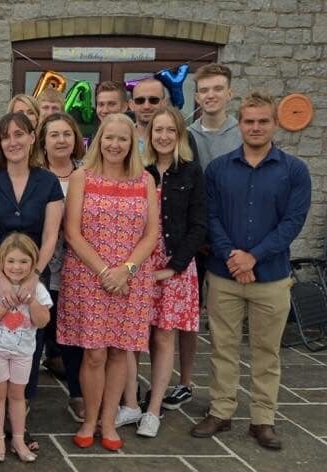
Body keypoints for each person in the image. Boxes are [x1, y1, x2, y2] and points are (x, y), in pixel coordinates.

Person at [191, 92, 311, 450]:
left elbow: (293, 222)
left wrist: (254, 257)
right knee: (221, 347)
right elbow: (210, 216)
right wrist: (233, 256)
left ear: (274, 124)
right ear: (239, 124)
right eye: (249, 121)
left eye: (262, 121)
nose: (255, 127)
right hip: (224, 275)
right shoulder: (218, 169)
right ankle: (221, 411)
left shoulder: (294, 170)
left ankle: (263, 419)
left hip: (271, 276)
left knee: (266, 351)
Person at [57, 113, 159, 452]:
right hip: (89, 276)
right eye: (109, 138)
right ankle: (90, 419)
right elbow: (71, 231)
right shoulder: (80, 177)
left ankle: (108, 421)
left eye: (123, 139)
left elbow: (152, 234)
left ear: (133, 144)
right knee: (95, 353)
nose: (115, 144)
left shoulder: (144, 180)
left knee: (119, 351)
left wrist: (125, 270)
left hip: (131, 278)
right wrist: (105, 271)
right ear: (99, 140)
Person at [0, 112, 63, 448]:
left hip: (32, 276)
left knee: (28, 345)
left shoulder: (48, 182)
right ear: (0, 142)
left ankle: (18, 420)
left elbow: (51, 235)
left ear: (31, 137)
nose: (13, 141)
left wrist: (32, 279)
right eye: (7, 136)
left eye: (20, 134)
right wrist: (1, 279)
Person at [125, 106, 205, 438]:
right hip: (139, 264)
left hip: (174, 266)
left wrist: (173, 268)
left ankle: (154, 409)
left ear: (179, 135)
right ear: (148, 134)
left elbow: (199, 226)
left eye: (170, 130)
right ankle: (129, 403)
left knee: (163, 336)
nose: (163, 136)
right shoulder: (139, 172)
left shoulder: (190, 172)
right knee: (130, 337)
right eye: (158, 130)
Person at [172, 63, 242, 411]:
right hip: (196, 239)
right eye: (204, 90)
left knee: (224, 324)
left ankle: (223, 397)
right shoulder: (187, 134)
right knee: (188, 316)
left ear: (229, 93)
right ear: (196, 96)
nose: (210, 96)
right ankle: (185, 382)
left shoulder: (243, 133)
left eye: (217, 89)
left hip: (231, 239)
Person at [0, 234, 51, 463]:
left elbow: (43, 321)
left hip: (23, 352)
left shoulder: (37, 290)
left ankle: (17, 439)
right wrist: (3, 307)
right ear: (1, 263)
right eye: (11, 261)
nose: (16, 267)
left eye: (23, 262)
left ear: (33, 263)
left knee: (18, 395)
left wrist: (32, 302)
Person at [36, 113, 86, 421]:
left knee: (73, 333)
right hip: (42, 263)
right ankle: (25, 396)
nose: (61, 140)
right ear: (43, 141)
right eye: (54, 135)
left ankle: (78, 393)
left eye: (67, 134)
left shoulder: (88, 174)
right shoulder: (35, 175)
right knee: (41, 327)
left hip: (78, 264)